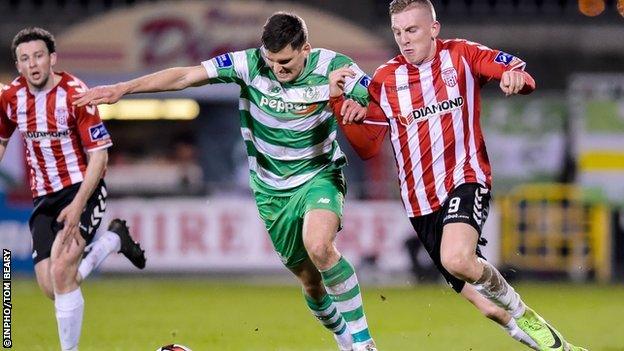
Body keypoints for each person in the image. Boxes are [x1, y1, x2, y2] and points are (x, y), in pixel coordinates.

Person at [74, 12, 377, 351]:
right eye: (272, 61)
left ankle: (364, 344)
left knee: (320, 246)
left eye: (287, 62)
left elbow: (378, 101)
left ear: (305, 48)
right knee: (310, 283)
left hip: (318, 173)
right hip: (271, 189)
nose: (278, 69)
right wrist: (124, 88)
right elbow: (186, 76)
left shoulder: (334, 66)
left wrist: (358, 105)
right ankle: (343, 337)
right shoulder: (249, 63)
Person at [327, 1, 588, 350]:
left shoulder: (462, 55)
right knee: (490, 309)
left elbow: (520, 75)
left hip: (466, 178)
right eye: (398, 32)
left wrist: (517, 79)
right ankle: (563, 348)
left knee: (457, 259)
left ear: (434, 28)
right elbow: (367, 147)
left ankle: (520, 309)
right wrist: (341, 109)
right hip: (420, 205)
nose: (405, 39)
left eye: (413, 30)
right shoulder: (384, 81)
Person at [0, 27, 146, 351]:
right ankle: (113, 240)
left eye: (38, 56)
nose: (33, 64)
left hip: (83, 188)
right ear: (18, 65)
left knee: (63, 270)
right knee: (52, 286)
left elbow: (99, 155)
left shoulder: (75, 94)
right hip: (44, 198)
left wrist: (79, 204)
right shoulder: (11, 99)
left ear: (52, 58)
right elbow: (2, 139)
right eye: (25, 59)